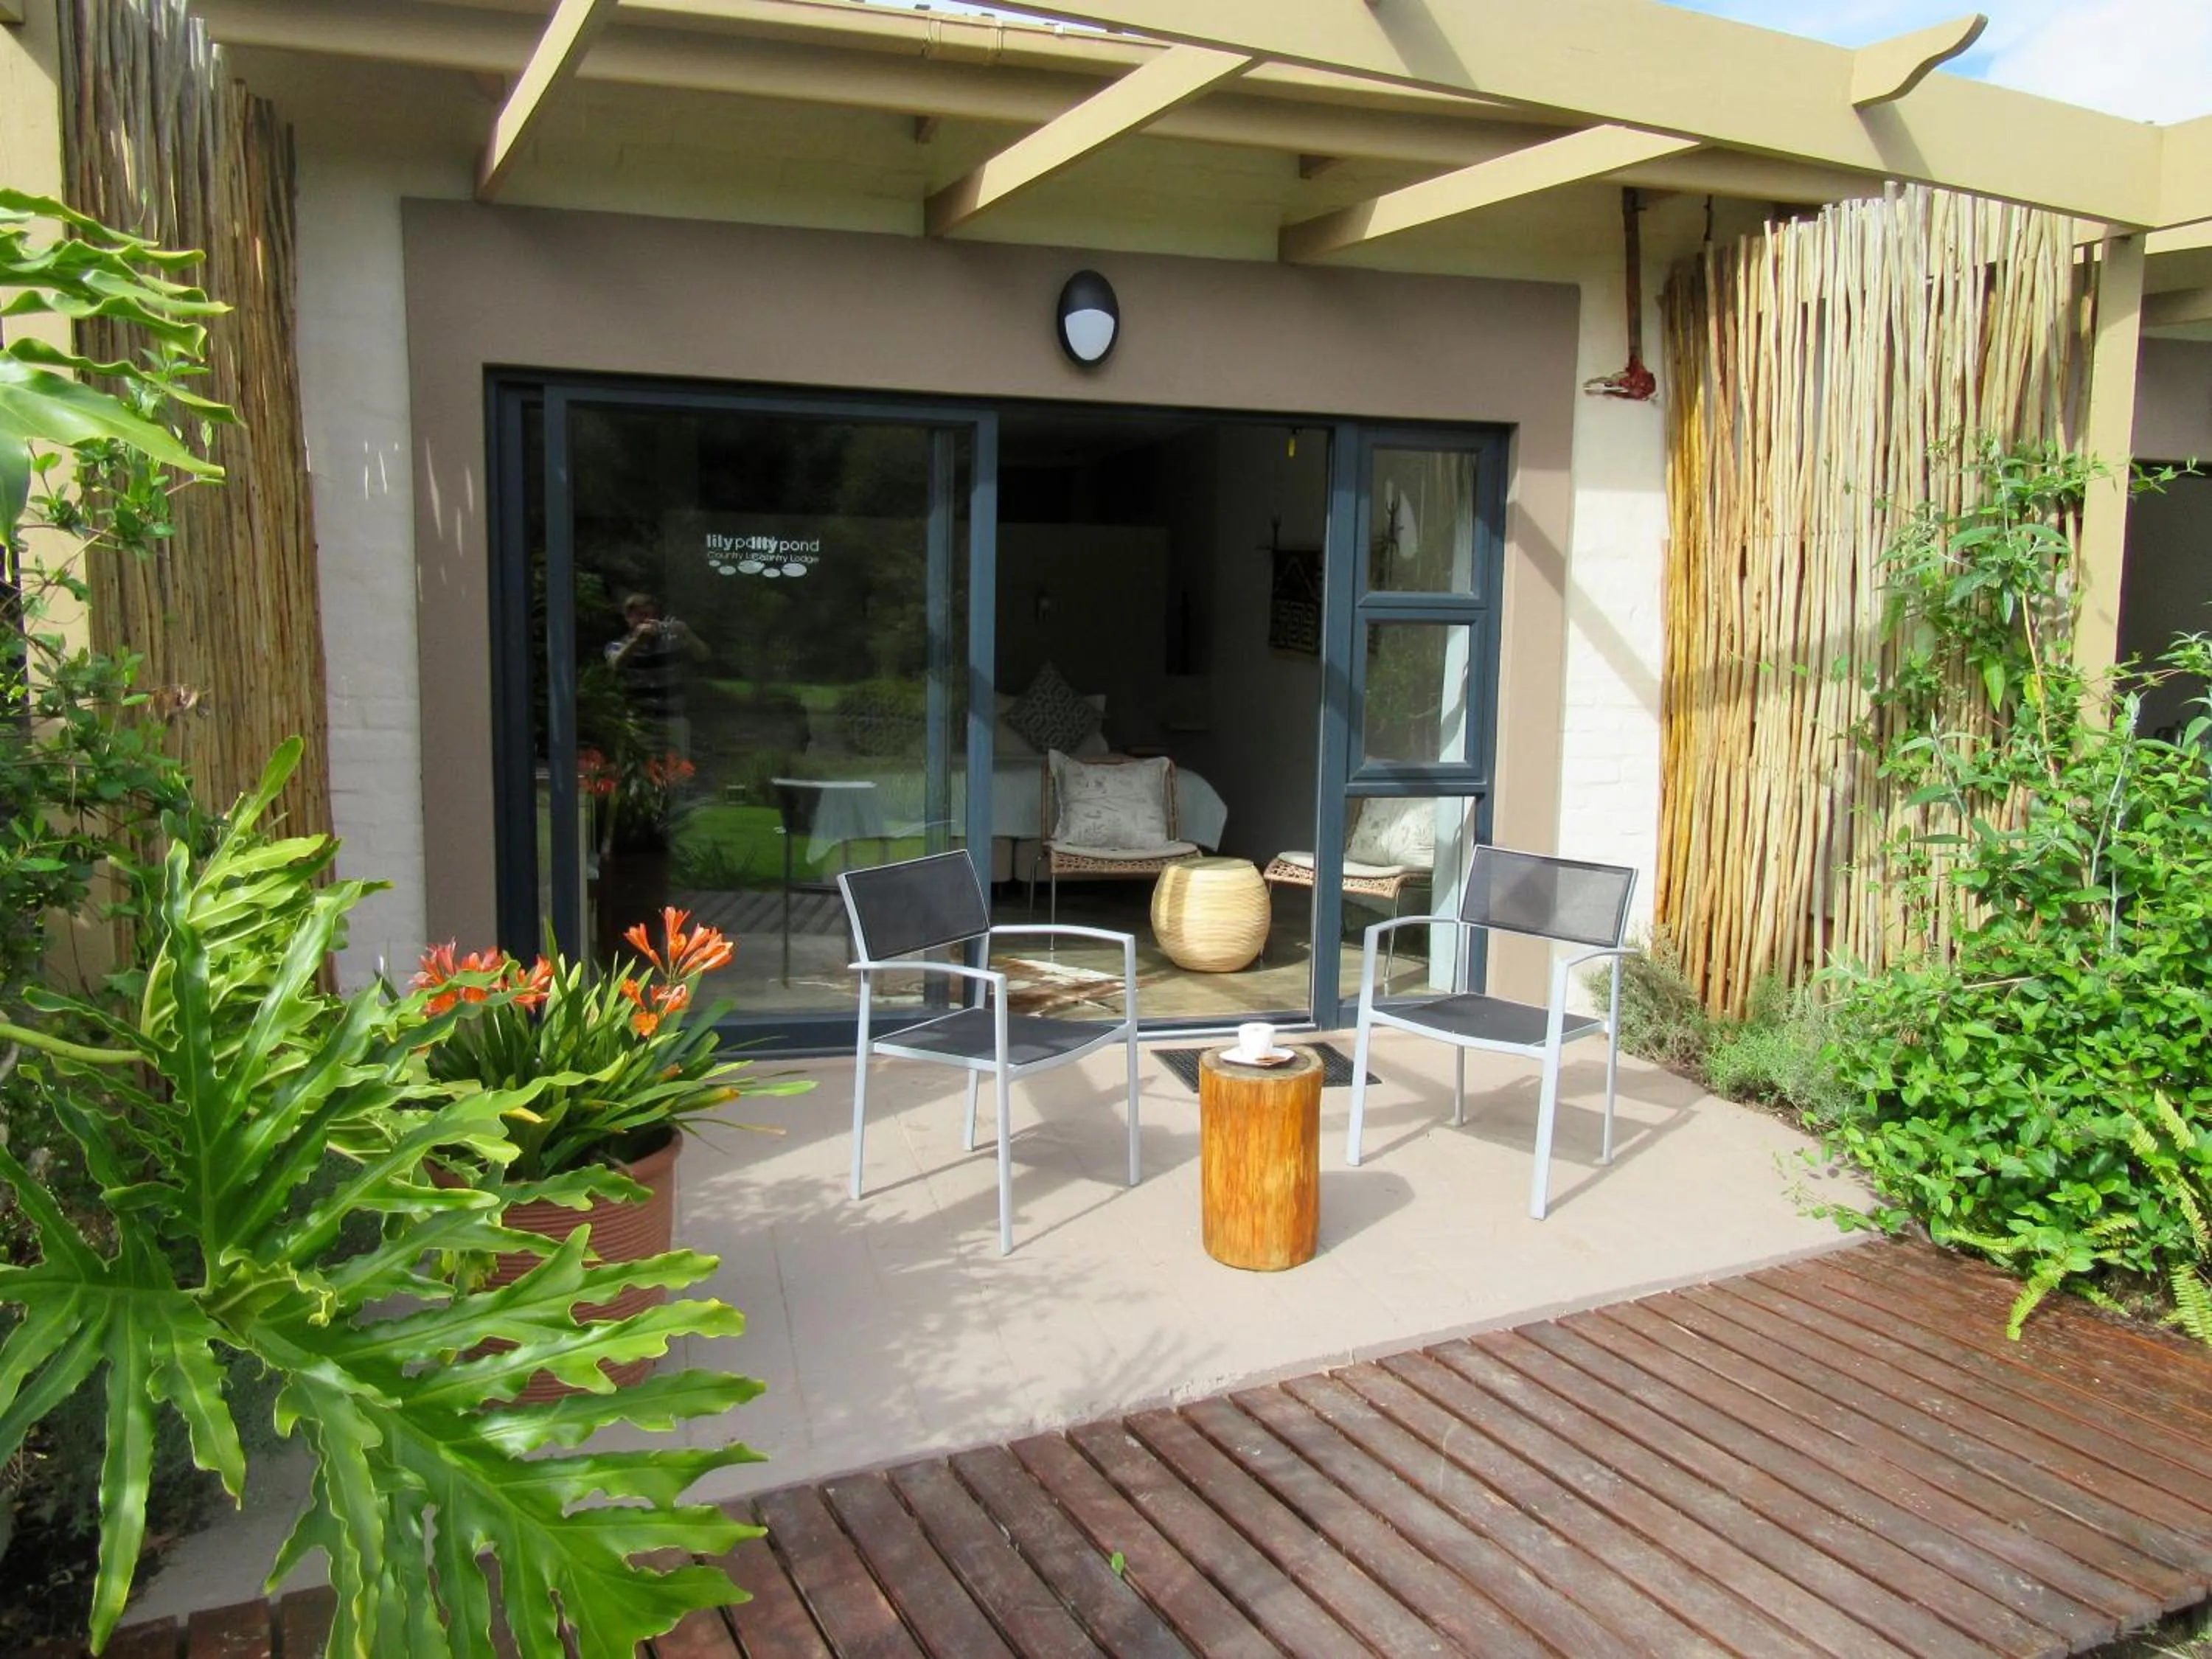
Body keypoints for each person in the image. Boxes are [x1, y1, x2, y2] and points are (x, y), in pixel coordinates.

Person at [605, 592, 707, 755]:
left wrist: (687, 633)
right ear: (628, 618)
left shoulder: (671, 641)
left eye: (653, 616)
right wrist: (637, 642)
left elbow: (703, 655)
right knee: (641, 775)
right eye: (642, 615)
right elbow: (616, 664)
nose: (649, 621)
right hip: (640, 723)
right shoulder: (618, 645)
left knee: (677, 776)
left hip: (674, 720)